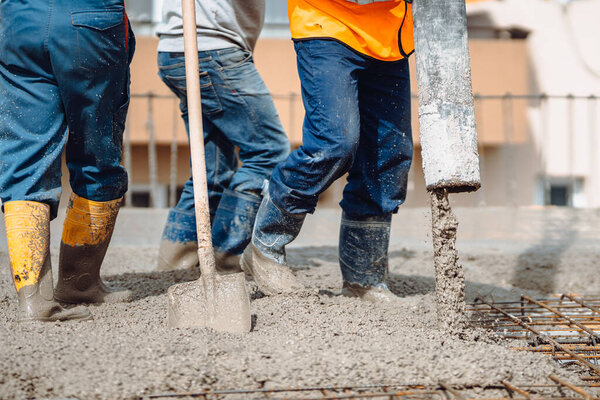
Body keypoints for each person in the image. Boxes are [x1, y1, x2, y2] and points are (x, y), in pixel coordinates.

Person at [242, 0, 415, 302]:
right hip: (326, 22)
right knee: (333, 143)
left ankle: (363, 278)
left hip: (388, 39)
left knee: (388, 156)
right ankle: (265, 246)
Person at [0, 0, 135, 321]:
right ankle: (80, 283)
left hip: (20, 20)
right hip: (88, 20)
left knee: (24, 159)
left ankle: (34, 300)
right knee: (97, 152)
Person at [155, 1, 290, 272]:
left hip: (178, 47)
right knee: (269, 151)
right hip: (211, 46)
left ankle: (176, 263)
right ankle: (229, 255)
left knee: (211, 169)